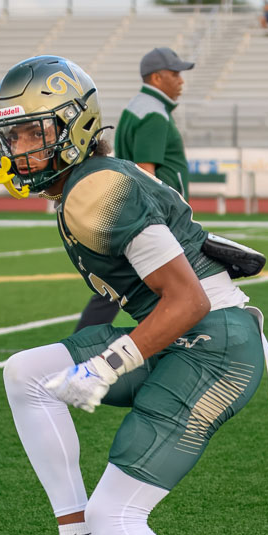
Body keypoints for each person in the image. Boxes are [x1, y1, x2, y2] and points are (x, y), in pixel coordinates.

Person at [0, 55, 268, 535]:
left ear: (74, 128)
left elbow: (186, 301)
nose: (19, 149)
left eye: (32, 132)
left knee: (118, 516)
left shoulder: (95, 190)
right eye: (12, 135)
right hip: (189, 336)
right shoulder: (96, 181)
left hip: (211, 349)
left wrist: (108, 364)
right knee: (27, 373)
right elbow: (174, 238)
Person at [74, 46, 194, 332]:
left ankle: (83, 340)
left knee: (121, 285)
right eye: (175, 74)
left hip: (137, 210)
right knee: (179, 286)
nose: (181, 80)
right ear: (156, 78)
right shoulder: (153, 114)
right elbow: (146, 171)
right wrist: (161, 219)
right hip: (157, 216)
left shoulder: (136, 108)